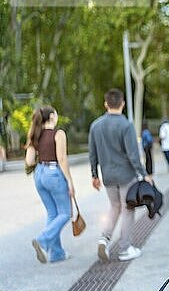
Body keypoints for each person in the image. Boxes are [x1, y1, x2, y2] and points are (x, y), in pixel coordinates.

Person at [88, 88, 152, 262]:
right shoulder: (126, 125)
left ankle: (104, 238)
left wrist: (94, 175)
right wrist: (144, 174)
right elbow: (133, 155)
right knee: (127, 209)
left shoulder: (95, 126)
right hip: (126, 176)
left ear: (106, 104)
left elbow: (92, 154)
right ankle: (125, 248)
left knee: (114, 207)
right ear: (122, 104)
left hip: (107, 177)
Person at [25, 106, 75, 263]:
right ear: (52, 116)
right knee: (66, 213)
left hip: (39, 173)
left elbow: (29, 161)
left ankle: (57, 253)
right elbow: (62, 158)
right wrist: (70, 181)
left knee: (53, 214)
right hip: (54, 173)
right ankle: (42, 240)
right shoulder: (58, 134)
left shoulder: (36, 134)